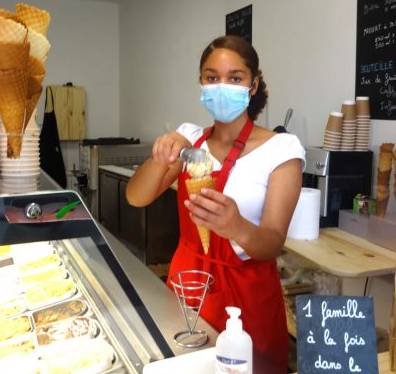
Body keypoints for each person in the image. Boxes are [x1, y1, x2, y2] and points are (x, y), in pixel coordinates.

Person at [126, 35, 304, 373]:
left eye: (234, 78)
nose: (222, 86)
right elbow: (137, 196)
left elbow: (272, 242)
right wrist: (161, 154)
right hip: (188, 285)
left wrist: (236, 226)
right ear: (201, 82)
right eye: (212, 77)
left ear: (253, 84)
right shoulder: (190, 139)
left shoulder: (282, 149)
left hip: (248, 297)